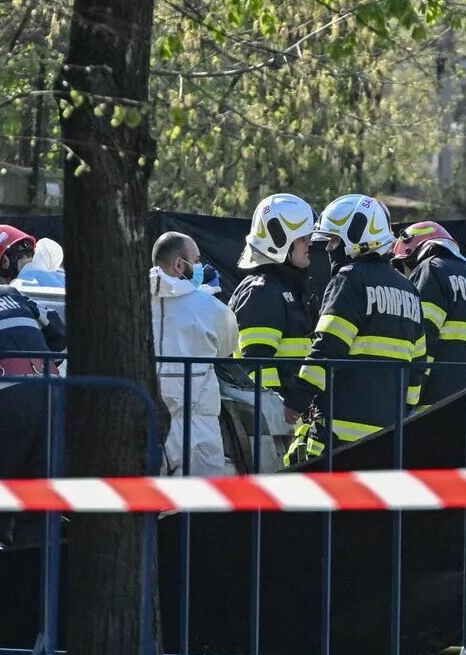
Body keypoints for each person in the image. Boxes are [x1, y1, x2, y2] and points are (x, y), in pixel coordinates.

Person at [290, 194, 426, 463]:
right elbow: (419, 365)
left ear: (356, 239)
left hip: (340, 436)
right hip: (389, 436)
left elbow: (329, 346)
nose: (329, 249)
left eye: (334, 240)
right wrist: (405, 409)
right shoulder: (409, 289)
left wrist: (298, 396)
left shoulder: (350, 279)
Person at [0, 225, 67, 542]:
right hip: (52, 398)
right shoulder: (11, 295)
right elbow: (59, 334)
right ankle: (38, 575)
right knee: (40, 504)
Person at [150, 232, 239, 475]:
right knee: (200, 507)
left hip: (145, 426)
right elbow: (227, 347)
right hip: (197, 429)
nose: (200, 267)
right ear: (180, 265)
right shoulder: (211, 308)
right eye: (197, 260)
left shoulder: (132, 302)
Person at [228, 194, 319, 421]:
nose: (310, 242)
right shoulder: (262, 292)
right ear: (279, 241)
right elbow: (257, 362)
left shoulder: (290, 289)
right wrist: (278, 410)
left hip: (287, 420)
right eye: (303, 237)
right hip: (270, 423)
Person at [393, 220, 466, 404]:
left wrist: (409, 400)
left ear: (413, 254)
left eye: (403, 266)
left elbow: (422, 338)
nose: (405, 275)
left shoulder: (431, 269)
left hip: (432, 405)